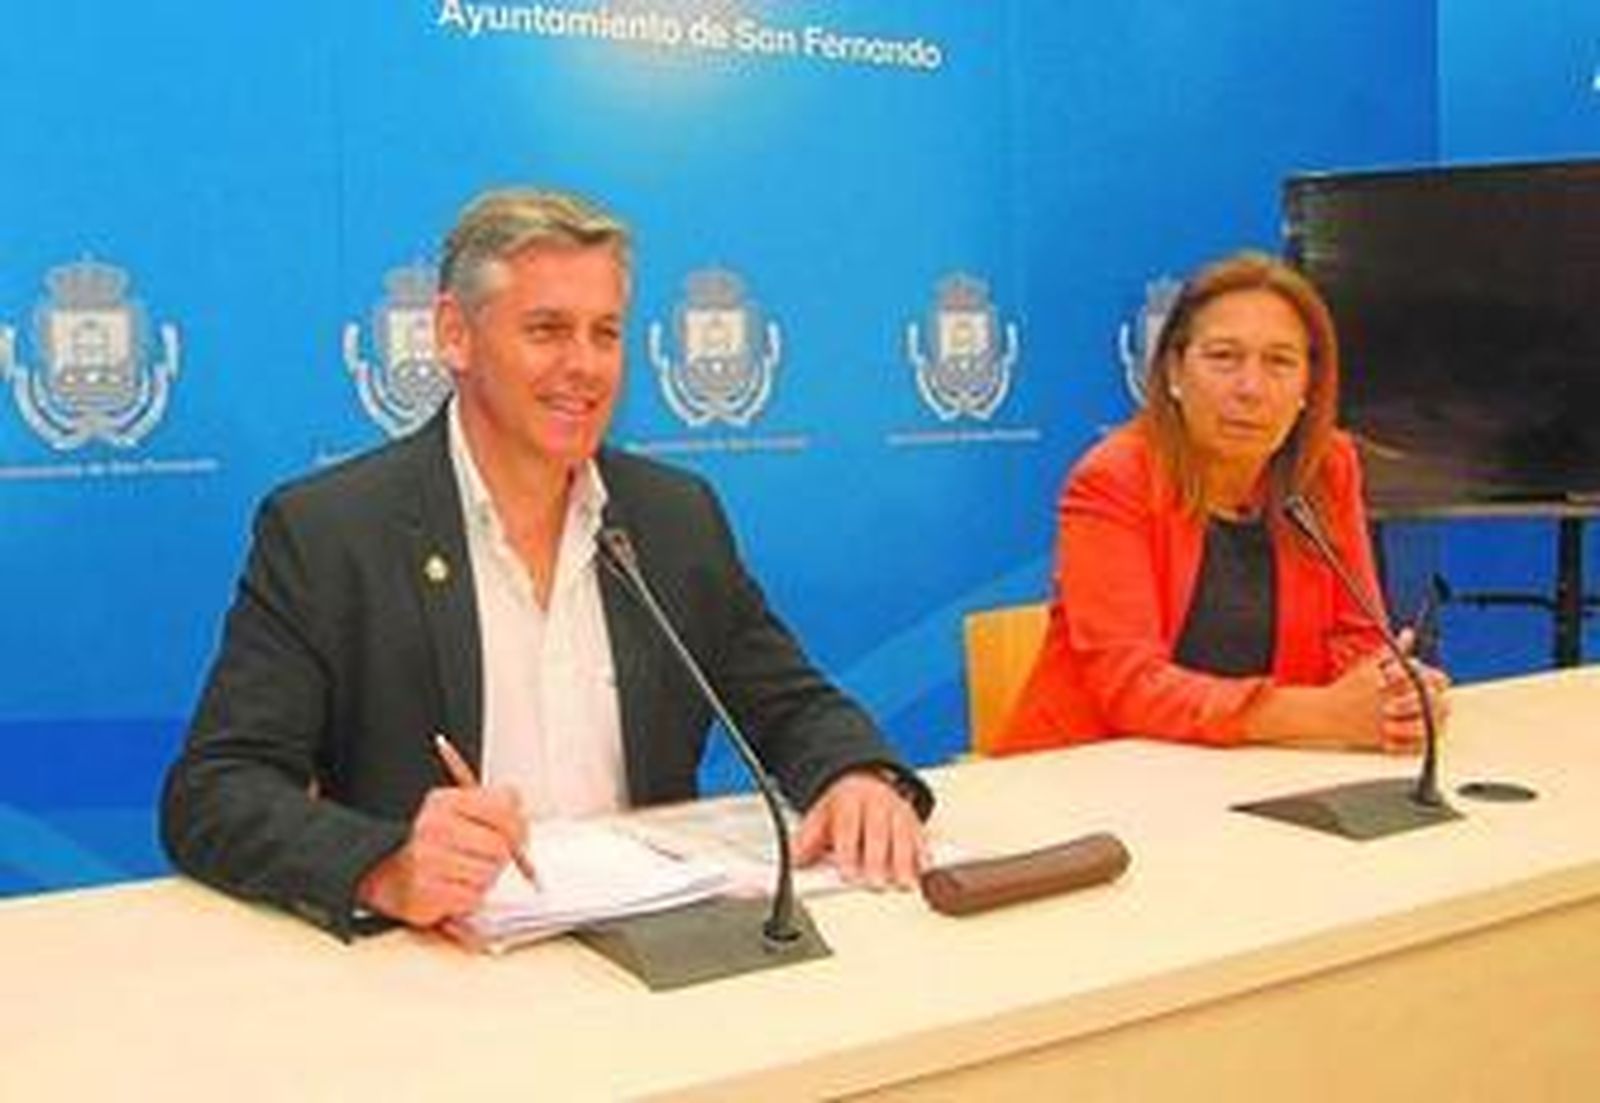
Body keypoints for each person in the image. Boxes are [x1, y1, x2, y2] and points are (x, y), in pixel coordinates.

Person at [161, 188, 932, 940]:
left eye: (606, 333)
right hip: (442, 969)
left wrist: (857, 775)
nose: (585, 366)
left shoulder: (673, 517)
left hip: (659, 949)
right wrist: (384, 864)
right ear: (455, 334)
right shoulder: (331, 532)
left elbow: (792, 706)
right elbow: (214, 791)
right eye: (547, 330)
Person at [999, 251, 1448, 754]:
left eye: (1279, 361)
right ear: (1174, 371)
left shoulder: (1326, 468)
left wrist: (1392, 699)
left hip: (1257, 767)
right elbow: (1131, 687)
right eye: (1223, 357)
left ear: (1309, 384)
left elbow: (1359, 638)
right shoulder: (1113, 479)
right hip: (1091, 768)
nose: (1250, 388)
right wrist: (1321, 713)